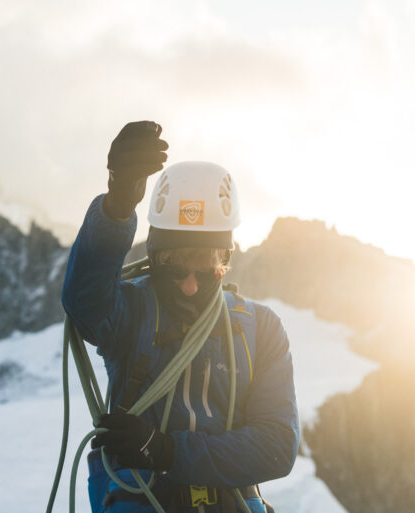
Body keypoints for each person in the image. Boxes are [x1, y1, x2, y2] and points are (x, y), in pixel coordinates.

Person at [62, 121, 299, 513]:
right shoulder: (131, 311)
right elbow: (85, 303)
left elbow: (277, 446)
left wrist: (164, 450)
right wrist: (117, 208)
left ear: (226, 260)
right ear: (153, 258)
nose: (190, 285)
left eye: (207, 269)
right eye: (175, 267)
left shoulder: (261, 329)